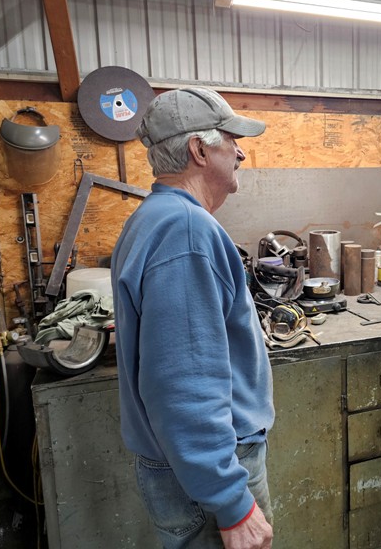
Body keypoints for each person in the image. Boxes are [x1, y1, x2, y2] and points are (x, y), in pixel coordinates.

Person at [111, 87, 274, 549]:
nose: (240, 151)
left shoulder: (155, 217)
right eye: (229, 139)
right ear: (199, 150)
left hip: (186, 465)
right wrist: (231, 499)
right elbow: (184, 384)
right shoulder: (184, 229)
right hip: (207, 472)